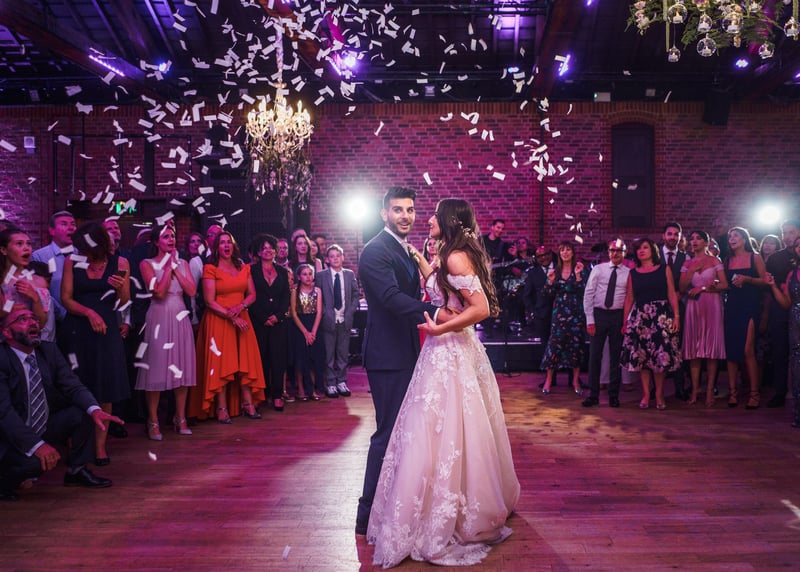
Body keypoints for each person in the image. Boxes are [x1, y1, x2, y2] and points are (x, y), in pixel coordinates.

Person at [368, 198, 519, 567]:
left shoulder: (456, 257)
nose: (428, 218)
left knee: (450, 427)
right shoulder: (447, 254)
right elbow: (441, 286)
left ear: (449, 220)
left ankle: (456, 509)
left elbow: (480, 309)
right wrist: (420, 259)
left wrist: (440, 328)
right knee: (432, 429)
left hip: (451, 349)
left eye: (435, 214)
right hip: (437, 353)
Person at [355, 186, 449, 537]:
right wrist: (436, 311)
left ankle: (394, 507)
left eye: (410, 210)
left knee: (405, 433)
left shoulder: (404, 249)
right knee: (387, 433)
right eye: (398, 210)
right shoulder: (375, 251)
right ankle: (366, 514)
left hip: (408, 351)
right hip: (388, 356)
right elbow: (392, 298)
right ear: (384, 214)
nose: (405, 216)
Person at [0, 308, 122, 500]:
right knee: (34, 464)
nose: (32, 322)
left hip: (40, 426)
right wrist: (37, 445)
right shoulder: (2, 358)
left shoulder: (48, 351)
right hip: (9, 438)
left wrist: (95, 409)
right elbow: (4, 413)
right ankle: (4, 483)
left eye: (34, 318)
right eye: (22, 319)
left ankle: (76, 471)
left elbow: (73, 386)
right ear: (7, 332)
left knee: (84, 412)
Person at [59, 222, 130, 466]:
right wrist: (89, 313)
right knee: (78, 385)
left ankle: (100, 447)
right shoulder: (72, 262)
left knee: (105, 388)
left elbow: (124, 303)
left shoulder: (120, 263)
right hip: (77, 329)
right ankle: (77, 444)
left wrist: (120, 290)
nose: (84, 253)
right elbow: (66, 298)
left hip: (106, 331)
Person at [188, 231, 265, 422]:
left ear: (234, 245)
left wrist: (241, 306)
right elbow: (209, 301)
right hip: (219, 319)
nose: (226, 245)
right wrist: (232, 316)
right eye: (222, 243)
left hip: (242, 316)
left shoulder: (243, 267)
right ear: (216, 247)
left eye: (229, 242)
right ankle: (221, 407)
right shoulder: (210, 268)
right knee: (222, 364)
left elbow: (252, 294)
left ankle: (247, 403)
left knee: (245, 362)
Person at [135, 225, 197, 440]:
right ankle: (153, 420)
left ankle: (181, 418)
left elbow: (191, 290)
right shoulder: (147, 264)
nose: (171, 240)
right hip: (159, 316)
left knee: (181, 366)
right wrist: (168, 268)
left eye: (172, 236)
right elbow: (159, 293)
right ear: (156, 242)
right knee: (156, 366)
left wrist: (177, 269)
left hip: (180, 314)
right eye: (165, 237)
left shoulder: (184, 263)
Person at [620, 238, 681, 410]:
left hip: (661, 316)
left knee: (660, 356)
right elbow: (629, 297)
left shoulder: (664, 269)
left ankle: (659, 393)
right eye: (638, 248)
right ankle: (646, 394)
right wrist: (625, 321)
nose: (641, 251)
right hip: (640, 317)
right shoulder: (633, 273)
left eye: (645, 247)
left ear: (652, 250)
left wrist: (676, 317)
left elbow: (671, 293)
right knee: (643, 358)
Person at [679, 230, 728, 406]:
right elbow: (682, 288)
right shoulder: (687, 263)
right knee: (694, 350)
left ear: (706, 242)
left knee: (711, 349)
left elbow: (725, 285)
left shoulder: (715, 261)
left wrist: (704, 288)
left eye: (698, 238)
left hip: (712, 304)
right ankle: (695, 389)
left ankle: (709, 391)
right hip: (694, 306)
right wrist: (691, 271)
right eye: (692, 239)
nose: (694, 241)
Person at [582, 238, 630, 408]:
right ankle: (593, 395)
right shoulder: (598, 269)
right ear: (608, 252)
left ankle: (613, 396)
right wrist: (590, 319)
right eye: (612, 250)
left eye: (619, 251)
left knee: (616, 357)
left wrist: (626, 321)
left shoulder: (629, 273)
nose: (615, 253)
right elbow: (589, 293)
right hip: (599, 314)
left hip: (618, 316)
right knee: (595, 356)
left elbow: (630, 298)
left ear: (624, 253)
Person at [724, 227, 767, 409]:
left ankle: (754, 393)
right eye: (730, 236)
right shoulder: (727, 260)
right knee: (731, 351)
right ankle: (733, 393)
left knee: (747, 349)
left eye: (736, 235)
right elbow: (726, 284)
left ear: (744, 239)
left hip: (749, 305)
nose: (732, 238)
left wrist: (747, 279)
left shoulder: (754, 257)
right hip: (732, 306)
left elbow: (765, 281)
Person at [540, 241, 588, 395]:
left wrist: (578, 276)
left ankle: (575, 380)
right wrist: (550, 281)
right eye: (562, 250)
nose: (565, 252)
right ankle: (548, 380)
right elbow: (546, 294)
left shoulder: (580, 269)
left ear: (573, 252)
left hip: (576, 313)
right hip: (559, 313)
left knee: (575, 346)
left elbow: (584, 291)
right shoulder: (556, 271)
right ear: (559, 253)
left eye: (568, 250)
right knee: (554, 345)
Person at [249, 234, 291, 412]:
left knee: (278, 359)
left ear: (275, 250)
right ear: (258, 252)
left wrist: (278, 316)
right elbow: (249, 295)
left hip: (278, 322)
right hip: (258, 322)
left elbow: (286, 296)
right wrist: (262, 318)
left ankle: (277, 395)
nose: (268, 250)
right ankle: (262, 394)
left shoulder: (282, 271)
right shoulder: (251, 271)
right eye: (264, 248)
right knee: (261, 359)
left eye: (270, 247)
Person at [316, 244, 359, 398]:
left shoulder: (349, 274)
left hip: (344, 318)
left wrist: (351, 310)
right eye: (332, 256)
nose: (335, 259)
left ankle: (341, 381)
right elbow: (317, 296)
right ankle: (331, 383)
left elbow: (356, 294)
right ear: (327, 259)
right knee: (329, 354)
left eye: (337, 256)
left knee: (343, 353)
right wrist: (324, 313)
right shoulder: (321, 276)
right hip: (328, 319)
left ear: (342, 257)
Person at [765, 235, 800, 427]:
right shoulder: (792, 274)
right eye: (797, 245)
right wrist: (773, 286)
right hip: (795, 321)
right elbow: (786, 303)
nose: (799, 247)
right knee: (796, 364)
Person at [31, 210, 76, 336]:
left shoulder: (81, 254)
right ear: (52, 231)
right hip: (54, 320)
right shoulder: (40, 256)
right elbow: (41, 291)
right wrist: (63, 314)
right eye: (64, 224)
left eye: (73, 224)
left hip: (81, 318)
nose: (70, 228)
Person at [0, 229, 51, 336]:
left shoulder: (38, 282)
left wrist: (35, 298)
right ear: (4, 250)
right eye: (19, 244)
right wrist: (6, 311)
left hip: (26, 341)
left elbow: (42, 324)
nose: (26, 248)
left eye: (28, 244)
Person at [290, 264, 326, 401]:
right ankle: (301, 390)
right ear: (299, 277)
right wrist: (305, 332)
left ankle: (312, 389)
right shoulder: (295, 291)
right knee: (301, 360)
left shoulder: (318, 290)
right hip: (300, 326)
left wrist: (313, 332)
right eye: (304, 274)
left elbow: (319, 312)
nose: (308, 277)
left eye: (310, 274)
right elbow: (294, 313)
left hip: (314, 325)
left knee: (314, 359)